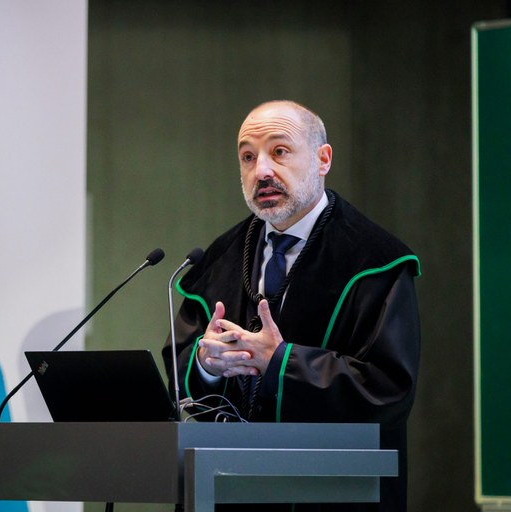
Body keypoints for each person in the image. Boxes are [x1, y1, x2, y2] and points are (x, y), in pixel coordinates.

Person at [163, 100, 421, 511]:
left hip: (333, 494)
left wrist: (281, 362)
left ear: (323, 159)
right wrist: (207, 365)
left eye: (279, 151)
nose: (261, 171)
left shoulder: (375, 261)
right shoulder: (220, 259)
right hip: (228, 490)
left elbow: (389, 389)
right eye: (248, 157)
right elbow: (180, 363)